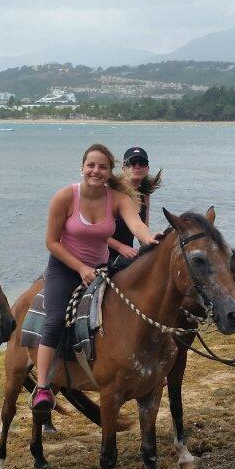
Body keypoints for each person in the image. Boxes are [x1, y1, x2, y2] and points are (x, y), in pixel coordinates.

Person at [31, 143, 160, 410]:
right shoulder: (65, 197)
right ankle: (43, 388)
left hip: (101, 267)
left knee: (128, 311)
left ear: (110, 171)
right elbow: (52, 242)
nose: (96, 171)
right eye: (91, 165)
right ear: (82, 167)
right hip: (65, 267)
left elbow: (138, 227)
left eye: (102, 166)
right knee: (55, 320)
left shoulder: (119, 199)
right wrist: (79, 267)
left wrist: (152, 240)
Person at [107, 146, 163, 266]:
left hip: (126, 256)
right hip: (103, 254)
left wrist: (154, 244)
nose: (137, 166)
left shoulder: (144, 195)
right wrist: (120, 247)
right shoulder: (111, 193)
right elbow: (94, 231)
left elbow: (142, 230)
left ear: (147, 168)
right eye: (132, 162)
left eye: (142, 163)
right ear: (123, 168)